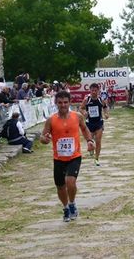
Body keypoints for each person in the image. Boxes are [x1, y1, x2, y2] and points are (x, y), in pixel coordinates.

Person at [40, 90, 95, 222]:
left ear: (70, 102)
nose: (63, 105)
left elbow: (85, 129)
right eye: (60, 102)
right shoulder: (51, 120)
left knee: (70, 182)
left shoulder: (77, 116)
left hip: (74, 156)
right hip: (59, 158)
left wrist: (89, 141)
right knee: (60, 186)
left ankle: (72, 203)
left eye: (65, 102)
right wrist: (45, 139)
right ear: (56, 103)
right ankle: (65, 208)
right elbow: (43, 136)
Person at [79, 83, 109, 166]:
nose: (94, 92)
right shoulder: (87, 99)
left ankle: (96, 158)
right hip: (89, 123)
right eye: (92, 90)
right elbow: (81, 108)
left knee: (98, 140)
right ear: (90, 91)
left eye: (96, 90)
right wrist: (84, 112)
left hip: (99, 122)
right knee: (90, 140)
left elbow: (105, 107)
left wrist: (106, 114)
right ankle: (91, 149)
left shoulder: (100, 99)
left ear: (98, 91)